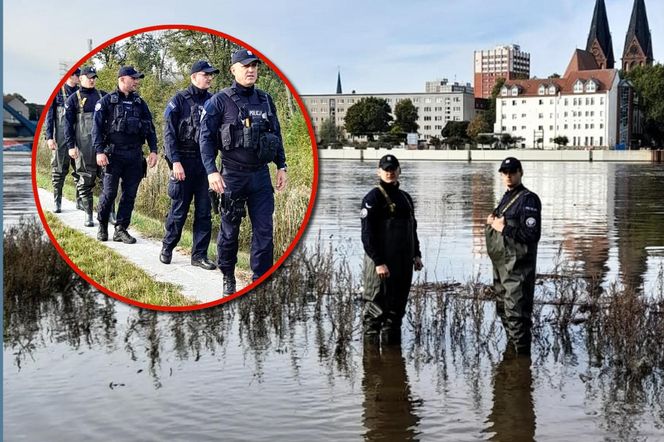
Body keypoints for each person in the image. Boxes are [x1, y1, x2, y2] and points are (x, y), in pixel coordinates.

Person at [199, 49, 288, 294]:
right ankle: (228, 276)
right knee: (229, 232)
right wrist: (211, 171)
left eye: (254, 66)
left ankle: (260, 280)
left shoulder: (266, 100)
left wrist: (282, 166)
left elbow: (276, 136)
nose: (251, 70)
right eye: (245, 65)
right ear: (233, 70)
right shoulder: (219, 101)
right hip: (232, 176)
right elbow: (205, 139)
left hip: (260, 176)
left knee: (264, 232)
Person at [160, 60, 219, 270]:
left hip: (205, 165)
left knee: (204, 212)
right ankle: (168, 247)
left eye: (211, 75)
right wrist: (174, 161)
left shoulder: (214, 101)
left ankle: (199, 255)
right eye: (206, 74)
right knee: (179, 210)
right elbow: (168, 135)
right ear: (194, 77)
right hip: (182, 162)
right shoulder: (178, 100)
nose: (210, 78)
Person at [361, 154, 423, 343]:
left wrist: (417, 254)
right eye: (386, 169)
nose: (390, 172)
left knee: (395, 314)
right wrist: (379, 262)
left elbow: (412, 228)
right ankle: (373, 366)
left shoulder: (405, 198)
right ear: (379, 171)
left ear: (399, 171)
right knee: (374, 314)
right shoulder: (373, 197)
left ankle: (391, 358)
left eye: (393, 169)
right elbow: (367, 235)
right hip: (380, 266)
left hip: (402, 265)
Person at [92, 66, 158, 244]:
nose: (137, 81)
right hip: (113, 155)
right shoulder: (106, 102)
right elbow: (96, 128)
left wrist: (153, 150)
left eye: (137, 78)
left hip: (135, 155)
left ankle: (121, 229)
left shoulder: (140, 103)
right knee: (109, 193)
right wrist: (99, 151)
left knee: (129, 194)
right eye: (133, 78)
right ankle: (102, 225)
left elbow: (150, 128)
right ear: (122, 79)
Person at [485, 157, 541, 355]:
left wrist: (504, 228)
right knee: (503, 310)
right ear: (501, 174)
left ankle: (522, 359)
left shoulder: (528, 199)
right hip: (502, 268)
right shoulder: (506, 198)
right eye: (505, 172)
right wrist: (492, 221)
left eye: (513, 171)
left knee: (517, 314)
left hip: (518, 269)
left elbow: (532, 234)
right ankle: (514, 363)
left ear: (520, 172)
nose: (509, 175)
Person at [63, 66, 106, 227]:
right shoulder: (73, 99)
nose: (92, 79)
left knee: (107, 179)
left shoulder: (103, 96)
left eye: (94, 77)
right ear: (80, 79)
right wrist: (71, 146)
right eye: (89, 77)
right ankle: (88, 214)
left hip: (102, 145)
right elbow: (67, 126)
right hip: (83, 145)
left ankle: (108, 213)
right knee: (86, 179)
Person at [44, 68, 80, 213]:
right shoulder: (57, 92)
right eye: (78, 75)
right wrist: (49, 137)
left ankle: (80, 202)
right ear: (71, 76)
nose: (80, 77)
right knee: (59, 170)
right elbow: (50, 116)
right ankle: (57, 202)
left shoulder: (80, 93)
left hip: (78, 138)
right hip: (60, 138)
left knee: (80, 170)